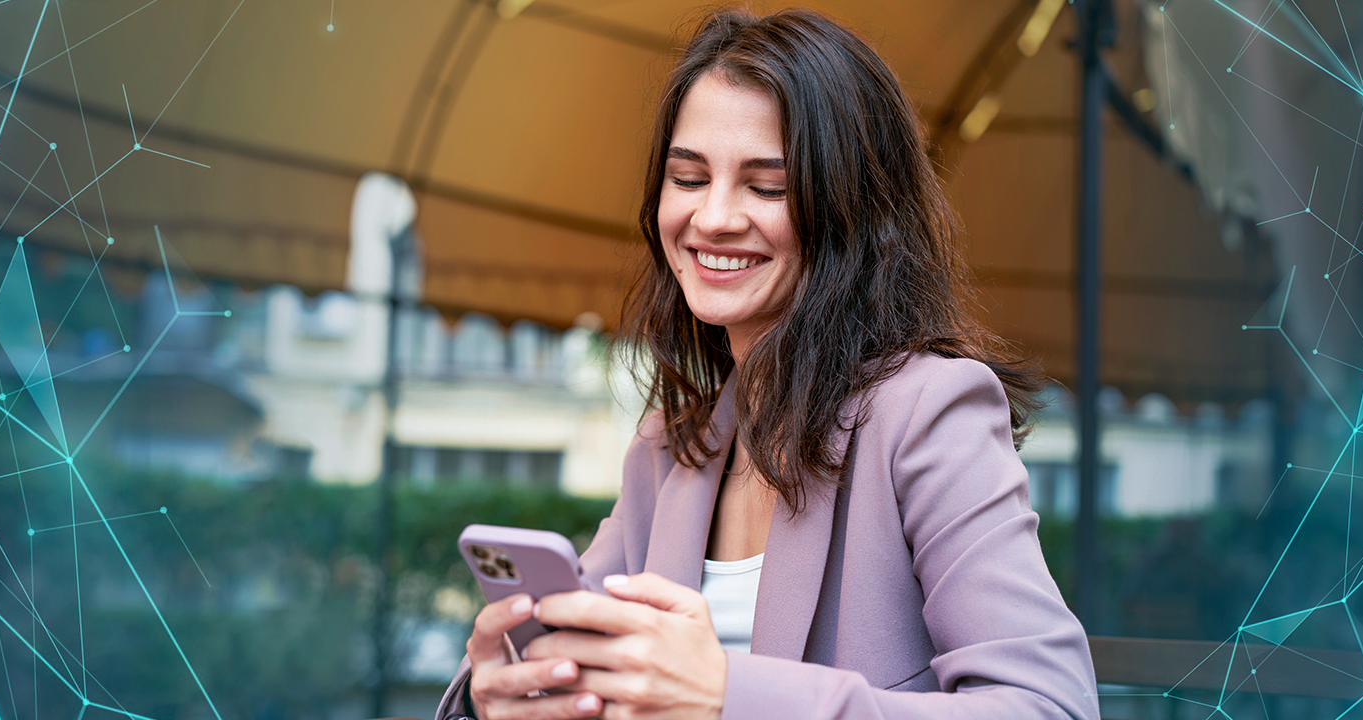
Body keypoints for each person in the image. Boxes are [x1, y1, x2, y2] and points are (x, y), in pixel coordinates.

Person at [436, 7, 1100, 719]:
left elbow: (1050, 708)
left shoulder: (930, 411)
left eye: (768, 186)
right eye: (688, 178)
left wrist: (729, 695)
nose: (714, 217)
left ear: (853, 207)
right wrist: (499, 695)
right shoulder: (670, 446)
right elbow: (587, 667)